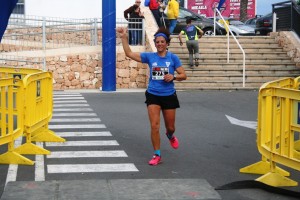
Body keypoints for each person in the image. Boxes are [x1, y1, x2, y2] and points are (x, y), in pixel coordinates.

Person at [116, 26, 187, 166]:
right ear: (155, 43)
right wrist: (124, 37)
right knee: (154, 126)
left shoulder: (173, 58)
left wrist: (173, 77)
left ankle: (170, 135)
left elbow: (184, 75)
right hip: (153, 95)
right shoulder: (150, 57)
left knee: (170, 127)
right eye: (157, 42)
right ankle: (157, 154)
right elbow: (129, 53)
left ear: (167, 43)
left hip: (169, 95)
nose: (160, 44)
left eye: (162, 42)